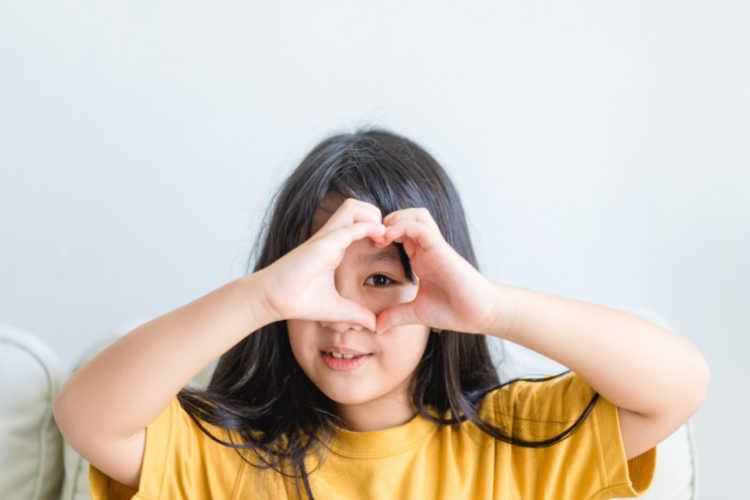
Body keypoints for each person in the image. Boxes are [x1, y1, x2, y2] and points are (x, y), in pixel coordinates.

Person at [53, 126, 709, 500]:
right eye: (317, 281)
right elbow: (86, 417)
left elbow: (679, 387)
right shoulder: (223, 454)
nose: (344, 317)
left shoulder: (521, 440)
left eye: (379, 279)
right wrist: (262, 297)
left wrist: (492, 307)